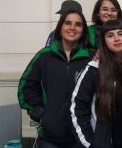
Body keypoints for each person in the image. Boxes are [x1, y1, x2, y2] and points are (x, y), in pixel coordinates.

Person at [18, 9, 93, 148]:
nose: (72, 28)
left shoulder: (91, 58)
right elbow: (26, 87)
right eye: (68, 23)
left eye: (78, 24)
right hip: (50, 138)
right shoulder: (44, 56)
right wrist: (40, 113)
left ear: (83, 30)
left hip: (82, 137)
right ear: (60, 27)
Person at [71, 20, 122, 148]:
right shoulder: (94, 69)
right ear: (104, 41)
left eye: (120, 34)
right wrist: (91, 143)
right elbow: (77, 108)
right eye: (110, 35)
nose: (116, 38)